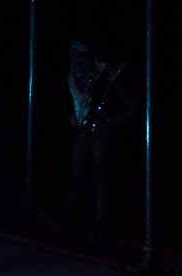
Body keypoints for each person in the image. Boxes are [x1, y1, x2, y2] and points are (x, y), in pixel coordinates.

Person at [60, 40, 136, 250]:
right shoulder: (80, 77)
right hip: (83, 133)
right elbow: (68, 97)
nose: (101, 65)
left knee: (99, 179)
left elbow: (131, 108)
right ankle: (66, 227)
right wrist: (71, 118)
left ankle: (99, 230)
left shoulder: (111, 80)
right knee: (76, 179)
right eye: (98, 61)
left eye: (104, 62)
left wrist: (111, 121)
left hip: (100, 134)